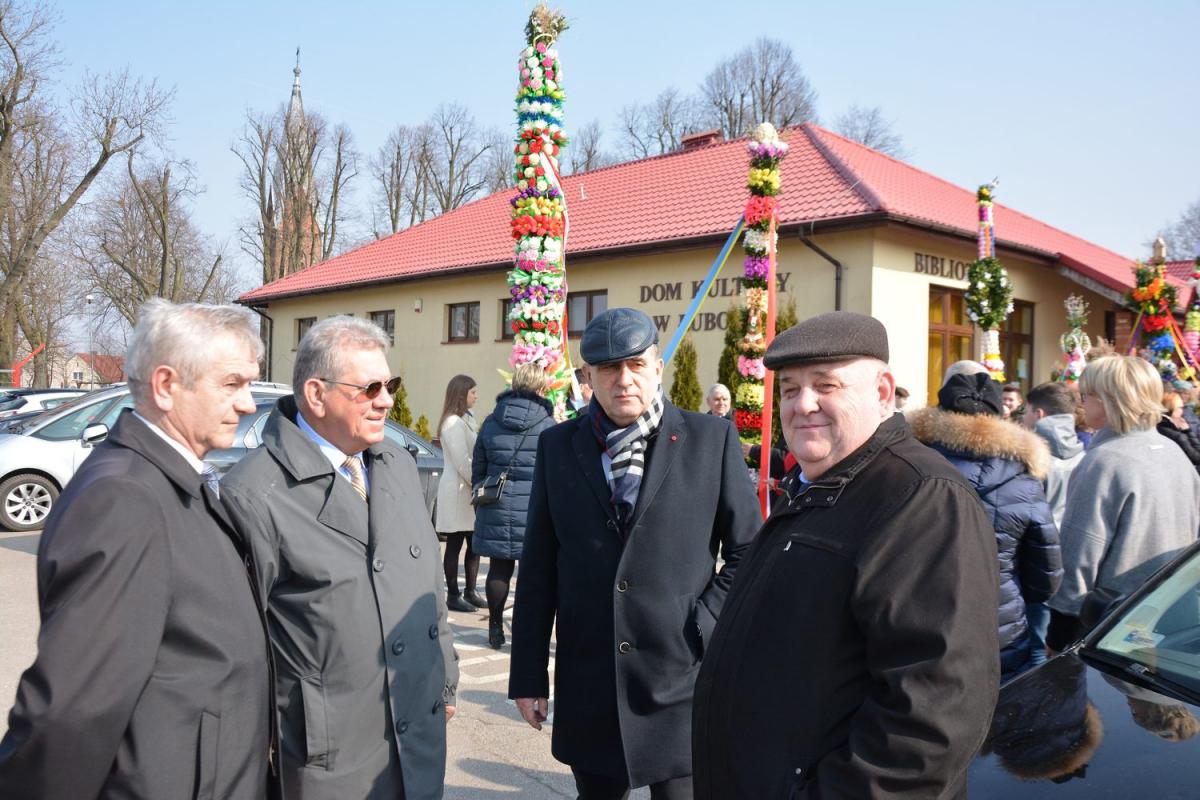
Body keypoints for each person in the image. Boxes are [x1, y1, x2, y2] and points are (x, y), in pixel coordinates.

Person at [692, 311, 1001, 799]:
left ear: (882, 392)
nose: (803, 404)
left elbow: (931, 718)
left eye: (826, 385)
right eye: (790, 389)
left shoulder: (921, 499)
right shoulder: (816, 484)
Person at [0, 299, 276, 799]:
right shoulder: (124, 498)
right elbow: (72, 710)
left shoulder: (175, 480)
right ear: (166, 385)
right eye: (232, 384)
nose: (248, 404)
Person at [509, 307, 761, 799]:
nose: (624, 379)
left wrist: (701, 625)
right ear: (588, 377)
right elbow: (539, 565)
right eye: (608, 368)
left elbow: (749, 549)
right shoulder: (557, 446)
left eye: (636, 365)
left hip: (680, 679)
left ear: (657, 368)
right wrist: (528, 674)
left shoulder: (710, 439)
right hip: (591, 678)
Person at [221, 316, 458, 800]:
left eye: (390, 385)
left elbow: (428, 582)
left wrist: (445, 676)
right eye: (370, 388)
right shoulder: (253, 495)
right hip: (331, 755)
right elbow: (234, 656)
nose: (386, 401)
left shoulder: (397, 465)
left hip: (419, 731)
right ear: (316, 394)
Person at [909, 362, 1062, 681]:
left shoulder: (908, 465)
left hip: (921, 622)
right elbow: (1045, 574)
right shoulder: (1025, 480)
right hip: (999, 626)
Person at [1047, 356, 1200, 652]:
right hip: (1175, 616)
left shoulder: (1103, 462)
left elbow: (1080, 554)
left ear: (1106, 400)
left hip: (1115, 627)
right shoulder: (1174, 452)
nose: (1081, 403)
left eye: (1085, 396)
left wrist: (1059, 634)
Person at [471, 362, 557, 650]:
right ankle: (524, 630)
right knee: (531, 573)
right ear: (540, 388)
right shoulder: (547, 423)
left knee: (498, 568)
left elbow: (479, 465)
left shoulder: (492, 420)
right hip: (534, 507)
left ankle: (495, 627)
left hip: (495, 501)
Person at [1022, 380, 1085, 666]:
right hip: (1072, 555)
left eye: (1026, 412)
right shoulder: (1086, 453)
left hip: (1039, 557)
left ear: (1039, 414)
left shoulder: (1034, 457)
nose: (1023, 419)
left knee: (1036, 641)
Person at [436, 374, 484, 612]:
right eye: (473, 392)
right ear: (461, 393)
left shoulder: (467, 418)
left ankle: (471, 591)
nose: (476, 396)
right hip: (457, 490)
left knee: (474, 544)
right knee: (455, 544)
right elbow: (462, 461)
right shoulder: (452, 423)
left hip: (467, 491)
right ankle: (453, 595)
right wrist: (479, 482)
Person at [1157, 389, 1200, 472]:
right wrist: (1188, 431)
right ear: (1171, 408)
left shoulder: (1157, 426)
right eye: (1180, 408)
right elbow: (1197, 457)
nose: (1182, 411)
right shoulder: (1177, 435)